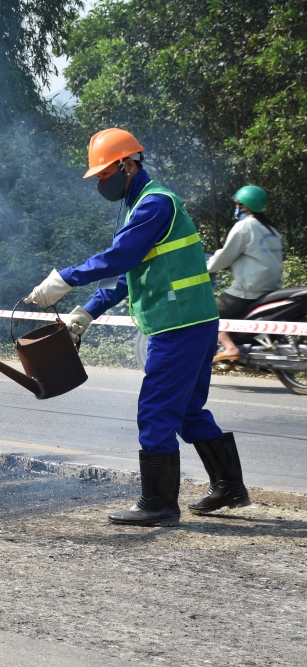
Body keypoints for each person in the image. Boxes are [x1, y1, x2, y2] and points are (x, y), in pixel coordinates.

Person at [25, 128, 250, 526]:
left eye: (104, 174)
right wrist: (89, 312)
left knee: (156, 409)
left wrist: (65, 278)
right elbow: (132, 272)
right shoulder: (138, 206)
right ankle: (229, 485)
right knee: (186, 410)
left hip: (177, 324)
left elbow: (119, 257)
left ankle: (159, 503)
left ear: (127, 164)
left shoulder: (153, 204)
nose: (100, 182)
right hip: (192, 321)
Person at [206, 185, 283, 362]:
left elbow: (225, 256)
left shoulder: (245, 227)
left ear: (245, 206)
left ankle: (230, 347)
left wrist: (204, 268)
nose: (237, 207)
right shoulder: (273, 230)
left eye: (238, 204)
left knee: (208, 311)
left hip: (249, 289)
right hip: (272, 289)